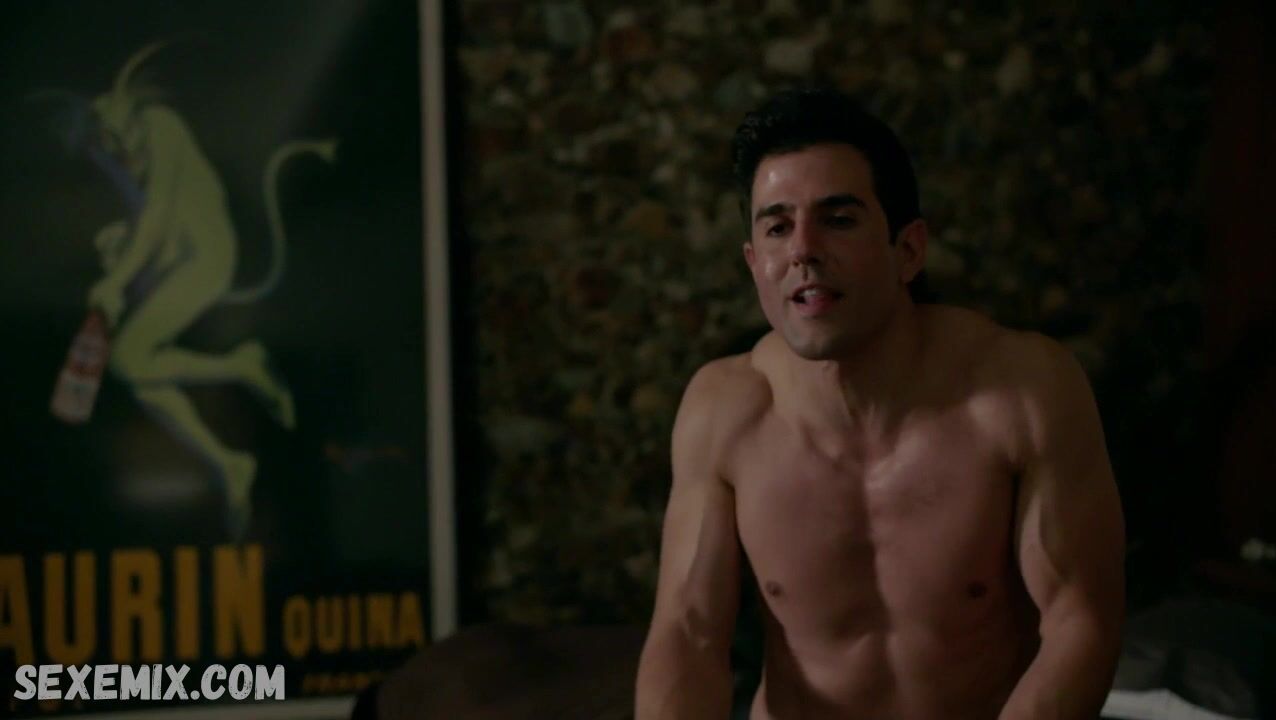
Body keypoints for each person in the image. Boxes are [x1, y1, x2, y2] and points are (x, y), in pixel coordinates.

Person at [635, 88, 1126, 719]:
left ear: (908, 250)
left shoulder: (1022, 391)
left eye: (838, 220)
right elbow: (688, 633)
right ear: (755, 264)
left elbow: (1080, 621)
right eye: (778, 227)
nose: (803, 249)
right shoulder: (725, 408)